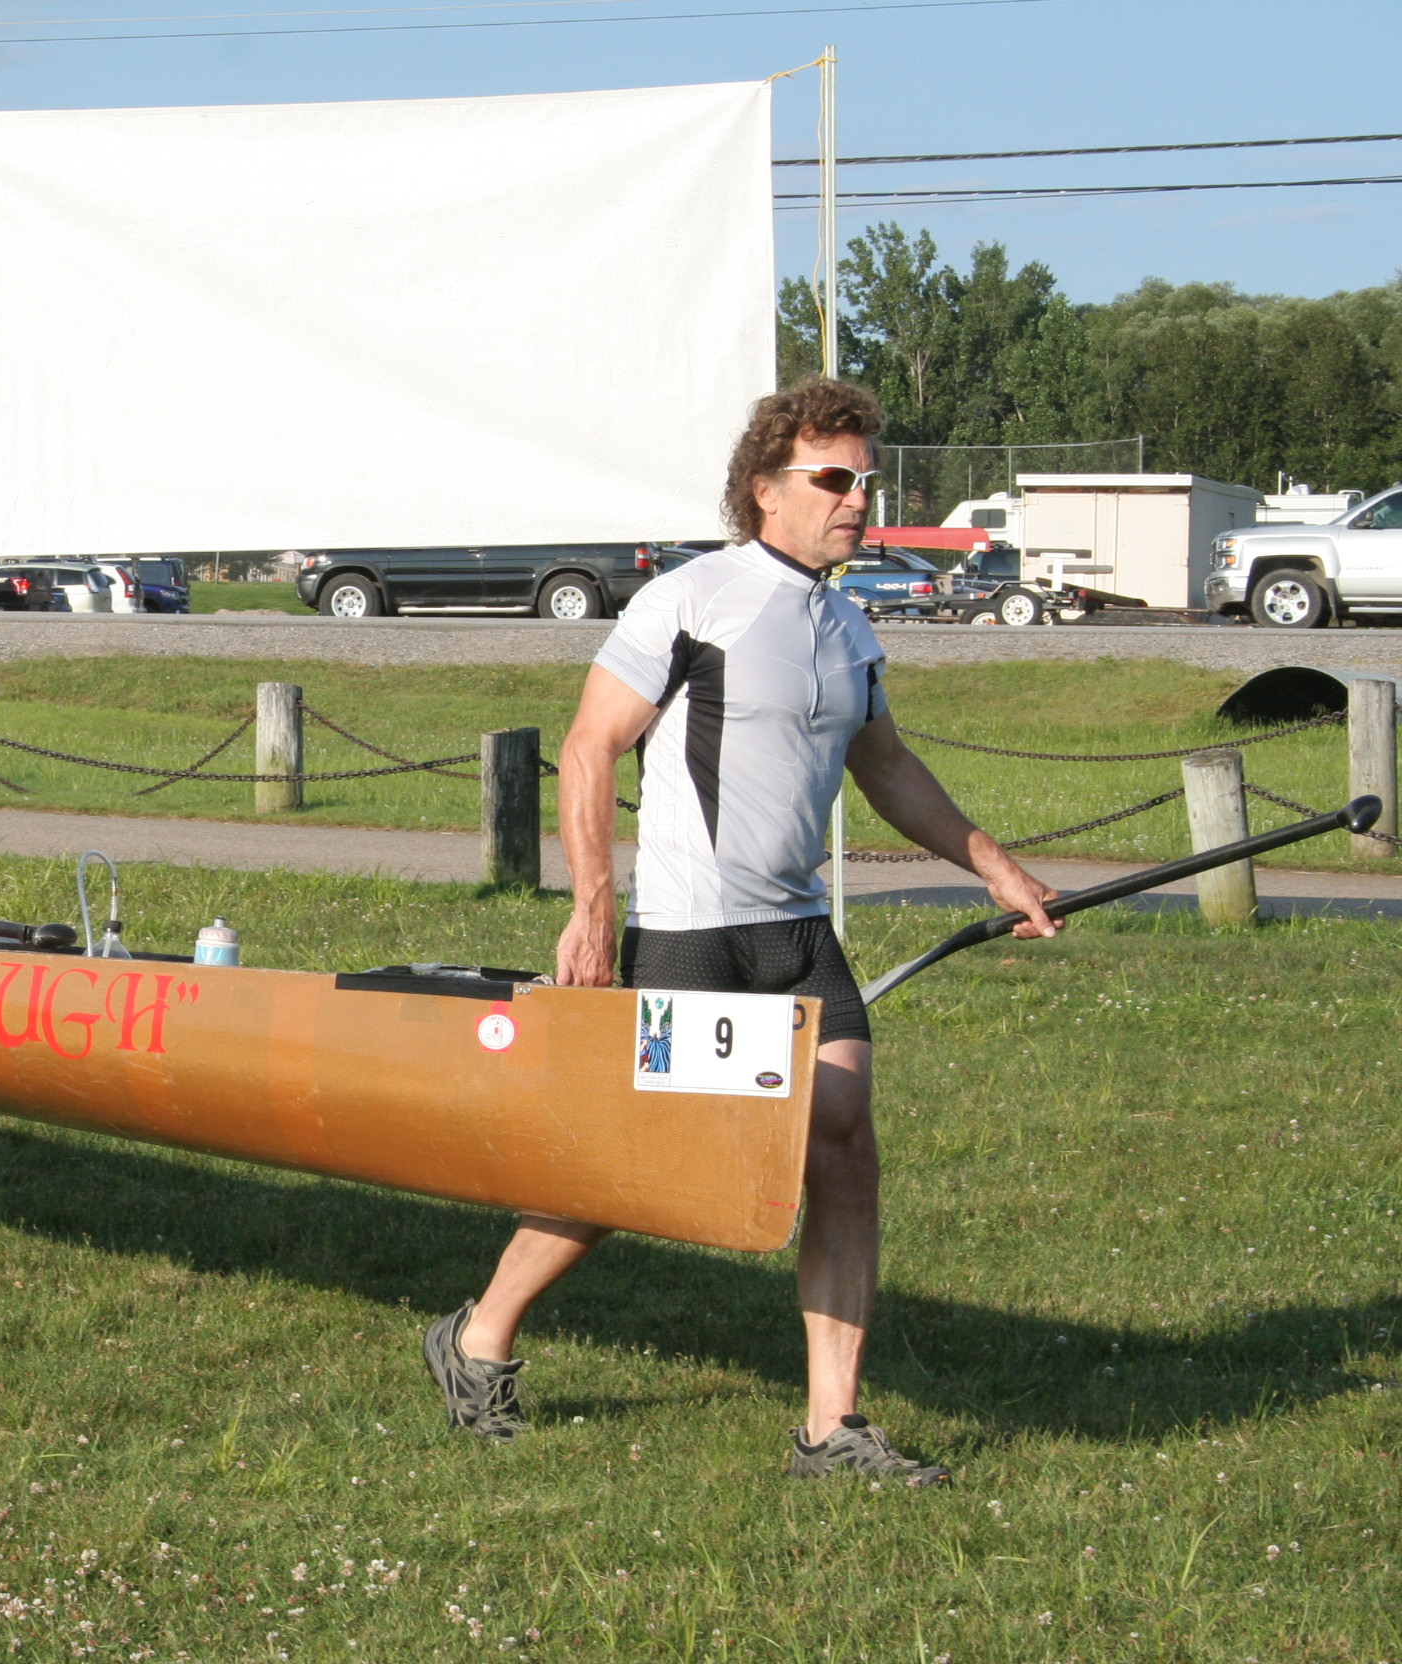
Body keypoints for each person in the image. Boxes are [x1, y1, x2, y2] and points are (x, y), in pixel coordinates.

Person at [418, 378, 1061, 1485]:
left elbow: (887, 765)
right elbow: (586, 748)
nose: (858, 498)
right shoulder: (692, 599)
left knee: (845, 1147)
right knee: (643, 1173)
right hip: (691, 934)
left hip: (798, 935)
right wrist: (592, 904)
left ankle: (832, 1428)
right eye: (834, 478)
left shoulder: (850, 627)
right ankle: (478, 1332)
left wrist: (994, 865)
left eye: (865, 478)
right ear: (766, 489)